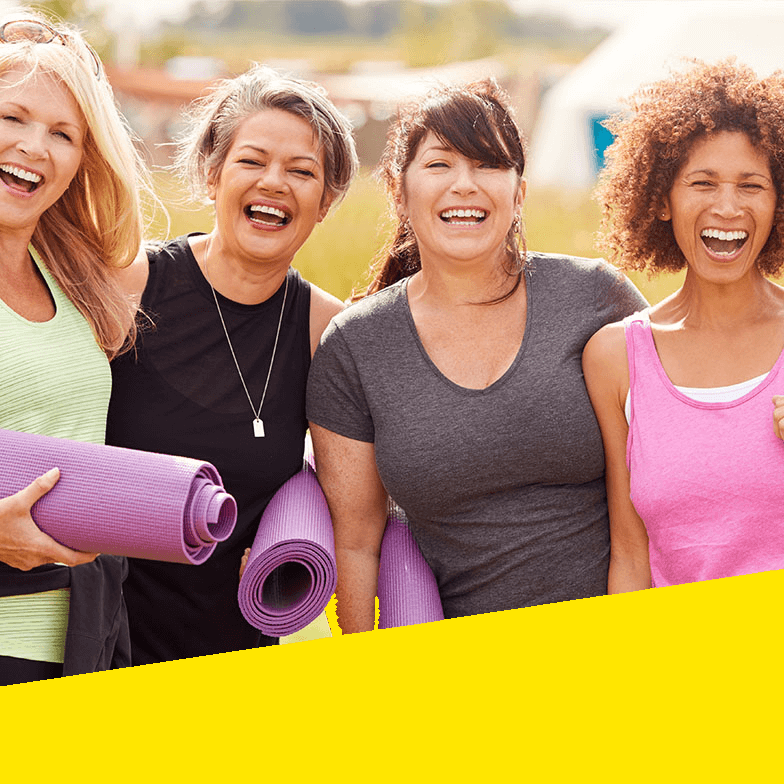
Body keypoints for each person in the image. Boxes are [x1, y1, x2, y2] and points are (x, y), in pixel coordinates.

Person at [306, 79, 647, 632]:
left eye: (488, 164)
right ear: (399, 190)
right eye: (439, 165)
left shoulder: (594, 297)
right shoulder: (356, 347)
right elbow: (358, 546)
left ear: (519, 192)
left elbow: (691, 410)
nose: (464, 185)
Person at [106, 64, 358, 664]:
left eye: (303, 172)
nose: (275, 183)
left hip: (242, 652)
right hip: (101, 646)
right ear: (213, 173)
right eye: (252, 161)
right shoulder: (126, 289)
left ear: (325, 203)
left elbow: (355, 514)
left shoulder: (330, 331)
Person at [584, 59, 784, 592]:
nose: (727, 206)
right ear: (661, 200)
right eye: (702, 183)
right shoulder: (614, 358)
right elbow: (630, 556)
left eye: (752, 185)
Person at [0, 12, 152, 683]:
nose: (35, 146)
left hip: (78, 640)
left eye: (63, 134)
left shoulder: (72, 279)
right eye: (13, 118)